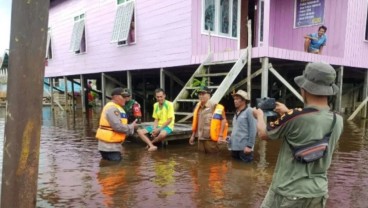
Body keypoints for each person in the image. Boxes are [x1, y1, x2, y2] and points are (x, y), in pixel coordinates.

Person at [252, 62, 343, 208]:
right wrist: (288, 112)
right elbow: (310, 126)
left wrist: (259, 115)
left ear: (304, 89)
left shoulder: (294, 116)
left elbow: (263, 134)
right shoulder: (337, 120)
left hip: (289, 191)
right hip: (318, 191)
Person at [95, 87, 137, 161]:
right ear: (116, 97)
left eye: (126, 97)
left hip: (110, 145)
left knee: (110, 168)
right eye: (123, 97)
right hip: (109, 146)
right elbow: (118, 127)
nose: (125, 99)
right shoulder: (112, 108)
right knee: (116, 168)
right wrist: (131, 126)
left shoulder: (116, 107)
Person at [189, 86, 227, 153]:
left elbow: (223, 120)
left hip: (210, 140)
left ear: (209, 95)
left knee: (213, 159)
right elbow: (196, 122)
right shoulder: (198, 107)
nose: (201, 96)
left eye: (203, 94)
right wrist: (193, 135)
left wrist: (220, 136)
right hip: (200, 138)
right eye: (199, 94)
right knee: (201, 158)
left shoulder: (215, 106)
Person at [228, 90, 257, 162]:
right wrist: (229, 138)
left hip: (244, 149)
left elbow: (253, 129)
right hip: (234, 147)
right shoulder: (236, 113)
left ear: (244, 100)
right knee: (235, 169)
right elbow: (236, 129)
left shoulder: (249, 111)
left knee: (246, 170)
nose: (235, 101)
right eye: (234, 99)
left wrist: (249, 146)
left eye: (237, 99)